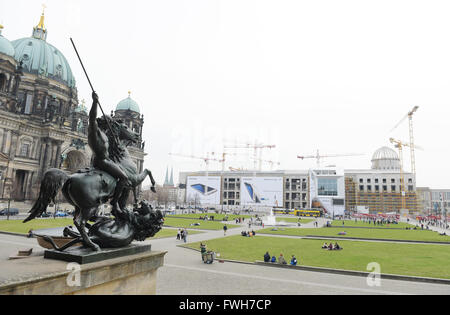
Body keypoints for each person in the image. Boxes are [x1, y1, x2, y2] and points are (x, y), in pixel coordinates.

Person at [89, 92, 132, 215]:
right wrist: (95, 103)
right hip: (102, 161)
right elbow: (92, 117)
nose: (110, 125)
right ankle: (114, 202)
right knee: (124, 177)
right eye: (108, 122)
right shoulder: (95, 130)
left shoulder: (105, 135)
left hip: (104, 160)